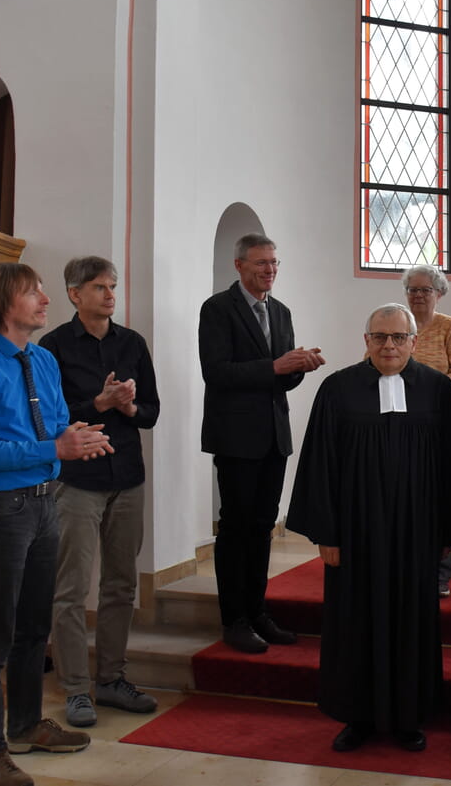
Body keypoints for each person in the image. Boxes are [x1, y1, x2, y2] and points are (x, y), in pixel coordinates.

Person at [0, 263, 112, 786]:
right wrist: (55, 447)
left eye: (42, 291)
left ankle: (24, 725)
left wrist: (79, 436)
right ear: (2, 303)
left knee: (34, 627)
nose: (44, 300)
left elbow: (58, 423)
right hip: (1, 510)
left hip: (44, 503)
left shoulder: (41, 359)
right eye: (32, 292)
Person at [287, 303, 451, 753]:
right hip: (356, 533)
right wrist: (326, 533)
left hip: (417, 532)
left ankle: (410, 716)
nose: (389, 345)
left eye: (398, 337)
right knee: (356, 621)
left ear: (414, 341)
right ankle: (359, 716)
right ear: (366, 341)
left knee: (412, 620)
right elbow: (320, 463)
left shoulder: (436, 391)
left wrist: (448, 531)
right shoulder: (337, 389)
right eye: (379, 337)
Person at [39, 257, 161, 728]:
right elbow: (49, 417)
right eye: (99, 287)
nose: (111, 295)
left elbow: (150, 412)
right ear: (74, 294)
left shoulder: (132, 343)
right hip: (78, 480)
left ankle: (111, 680)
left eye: (113, 287)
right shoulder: (52, 348)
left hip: (127, 475)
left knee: (121, 584)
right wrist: (97, 403)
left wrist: (128, 406)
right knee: (70, 588)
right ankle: (74, 690)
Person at [198, 233, 325, 654]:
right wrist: (275, 365)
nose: (269, 270)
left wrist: (299, 367)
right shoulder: (218, 309)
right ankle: (233, 619)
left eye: (273, 263)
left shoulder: (281, 311)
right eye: (260, 263)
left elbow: (280, 379)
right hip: (235, 438)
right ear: (239, 265)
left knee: (262, 528)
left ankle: (257, 612)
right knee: (235, 529)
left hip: (273, 436)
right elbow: (217, 373)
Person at [400, 264, 451, 598]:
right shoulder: (396, 323)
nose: (417, 296)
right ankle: (400, 566)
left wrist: (426, 386)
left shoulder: (449, 327)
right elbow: (372, 363)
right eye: (412, 290)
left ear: (439, 294)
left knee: (435, 499)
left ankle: (438, 574)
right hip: (397, 425)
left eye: (425, 290)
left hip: (437, 426)